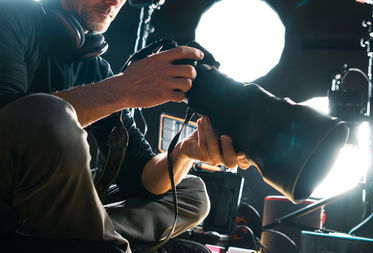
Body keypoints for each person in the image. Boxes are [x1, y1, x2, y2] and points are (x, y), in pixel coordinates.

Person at [0, 0, 251, 252]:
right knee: (46, 111)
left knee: (190, 192)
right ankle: (105, 244)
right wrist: (123, 88)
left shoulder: (94, 68)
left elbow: (139, 177)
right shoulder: (10, 16)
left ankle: (82, 239)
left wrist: (184, 152)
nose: (115, 2)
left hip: (52, 210)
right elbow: (12, 121)